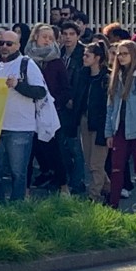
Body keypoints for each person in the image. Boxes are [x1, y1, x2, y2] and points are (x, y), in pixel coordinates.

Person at [0, 31, 47, 203]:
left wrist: (18, 85)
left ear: (18, 45)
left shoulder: (27, 64)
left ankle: (17, 206)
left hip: (20, 128)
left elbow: (40, 92)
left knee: (17, 172)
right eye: (2, 43)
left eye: (9, 44)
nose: (4, 47)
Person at [104, 40, 136, 210]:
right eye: (118, 54)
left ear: (134, 54)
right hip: (119, 129)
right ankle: (113, 205)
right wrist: (109, 132)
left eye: (125, 53)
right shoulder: (116, 77)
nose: (120, 57)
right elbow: (110, 107)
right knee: (116, 168)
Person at [26, 24, 70, 195]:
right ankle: (26, 190)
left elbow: (66, 89)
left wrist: (54, 103)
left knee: (55, 151)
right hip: (29, 112)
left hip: (50, 113)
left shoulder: (57, 61)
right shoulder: (26, 60)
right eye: (44, 37)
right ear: (35, 37)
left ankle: (63, 186)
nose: (47, 41)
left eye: (51, 38)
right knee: (29, 152)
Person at [76, 41, 110, 203]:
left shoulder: (107, 78)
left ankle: (94, 196)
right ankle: (109, 187)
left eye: (87, 55)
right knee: (90, 161)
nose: (84, 57)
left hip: (100, 123)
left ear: (97, 58)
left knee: (96, 163)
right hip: (85, 120)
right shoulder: (84, 74)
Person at [58, 20, 87, 193]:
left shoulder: (84, 53)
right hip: (61, 105)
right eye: (65, 34)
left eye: (71, 34)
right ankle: (67, 181)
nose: (68, 38)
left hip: (78, 107)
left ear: (78, 35)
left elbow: (82, 81)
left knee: (77, 148)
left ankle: (78, 183)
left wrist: (75, 100)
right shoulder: (59, 53)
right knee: (62, 147)